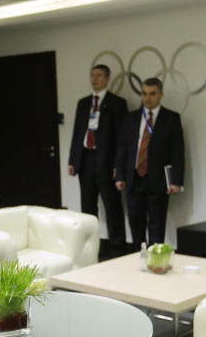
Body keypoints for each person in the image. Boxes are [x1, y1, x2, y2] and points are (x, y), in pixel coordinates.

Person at [115, 78, 185, 247]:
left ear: (160, 95)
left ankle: (156, 262)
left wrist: (177, 181)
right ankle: (138, 260)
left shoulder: (171, 118)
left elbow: (178, 151)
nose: (148, 98)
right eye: (144, 94)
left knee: (157, 226)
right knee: (136, 224)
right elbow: (123, 148)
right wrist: (120, 176)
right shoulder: (131, 118)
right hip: (134, 179)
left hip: (158, 181)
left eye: (152, 94)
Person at [67, 64, 128, 254]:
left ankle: (118, 247)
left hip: (107, 161)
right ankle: (90, 248)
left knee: (112, 205)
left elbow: (122, 137)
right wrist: (73, 160)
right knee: (87, 206)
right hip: (86, 159)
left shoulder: (117, 103)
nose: (95, 79)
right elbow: (78, 132)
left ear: (108, 78)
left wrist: (119, 165)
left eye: (99, 76)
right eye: (92, 75)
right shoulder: (83, 103)